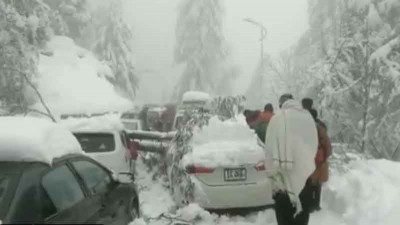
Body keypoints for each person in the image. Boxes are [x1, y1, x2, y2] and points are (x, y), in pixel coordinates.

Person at [265, 94, 318, 225]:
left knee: (284, 220)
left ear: (281, 104)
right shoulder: (308, 118)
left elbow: (269, 152)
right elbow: (313, 146)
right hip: (305, 181)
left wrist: (273, 180)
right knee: (302, 219)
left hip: (282, 183)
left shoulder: (276, 120)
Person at [308, 108, 332, 212]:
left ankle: (308, 204)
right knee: (317, 182)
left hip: (308, 156)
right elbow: (327, 143)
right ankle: (316, 204)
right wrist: (325, 156)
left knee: (308, 181)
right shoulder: (321, 127)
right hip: (319, 156)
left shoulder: (305, 126)